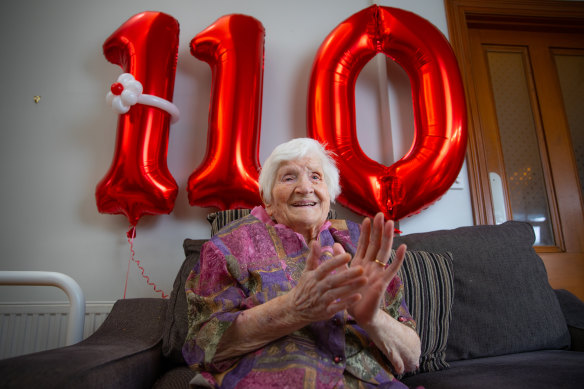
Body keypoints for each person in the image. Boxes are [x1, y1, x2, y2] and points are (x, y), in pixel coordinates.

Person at [183, 138, 422, 388]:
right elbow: (201, 346)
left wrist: (372, 317)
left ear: (329, 193)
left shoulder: (360, 243)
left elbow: (412, 356)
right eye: (289, 178)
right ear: (268, 199)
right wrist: (293, 309)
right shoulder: (229, 246)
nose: (305, 188)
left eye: (316, 177)